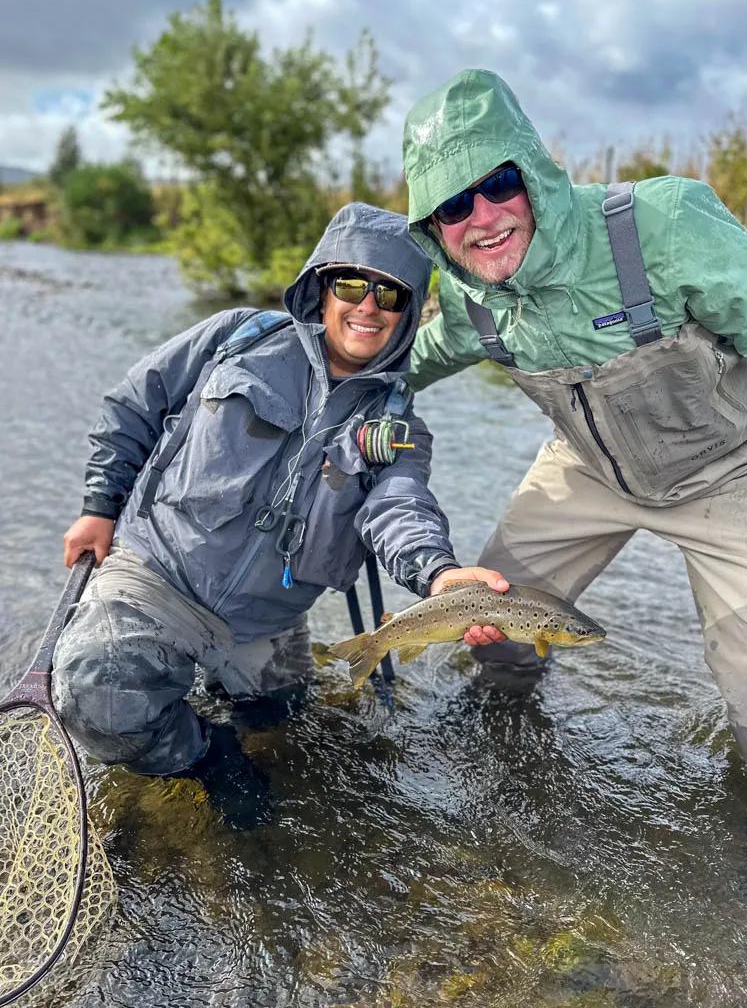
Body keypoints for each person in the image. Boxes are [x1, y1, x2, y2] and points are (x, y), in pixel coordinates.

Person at [402, 68, 747, 889]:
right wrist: (302, 374)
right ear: (433, 228)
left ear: (534, 173)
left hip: (742, 469)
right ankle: (502, 723)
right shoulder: (473, 299)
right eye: (451, 206)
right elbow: (406, 362)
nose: (481, 217)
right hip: (587, 470)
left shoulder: (660, 222)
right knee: (492, 619)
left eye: (497, 185)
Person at [54, 202, 506, 827]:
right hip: (158, 576)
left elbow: (399, 506)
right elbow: (134, 406)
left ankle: (237, 724)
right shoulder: (235, 337)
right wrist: (99, 506)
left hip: (270, 619)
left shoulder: (399, 428)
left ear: (407, 315)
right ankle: (205, 758)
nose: (368, 306)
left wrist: (440, 576)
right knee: (95, 693)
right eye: (352, 284)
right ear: (322, 287)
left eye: (391, 295)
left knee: (285, 725)